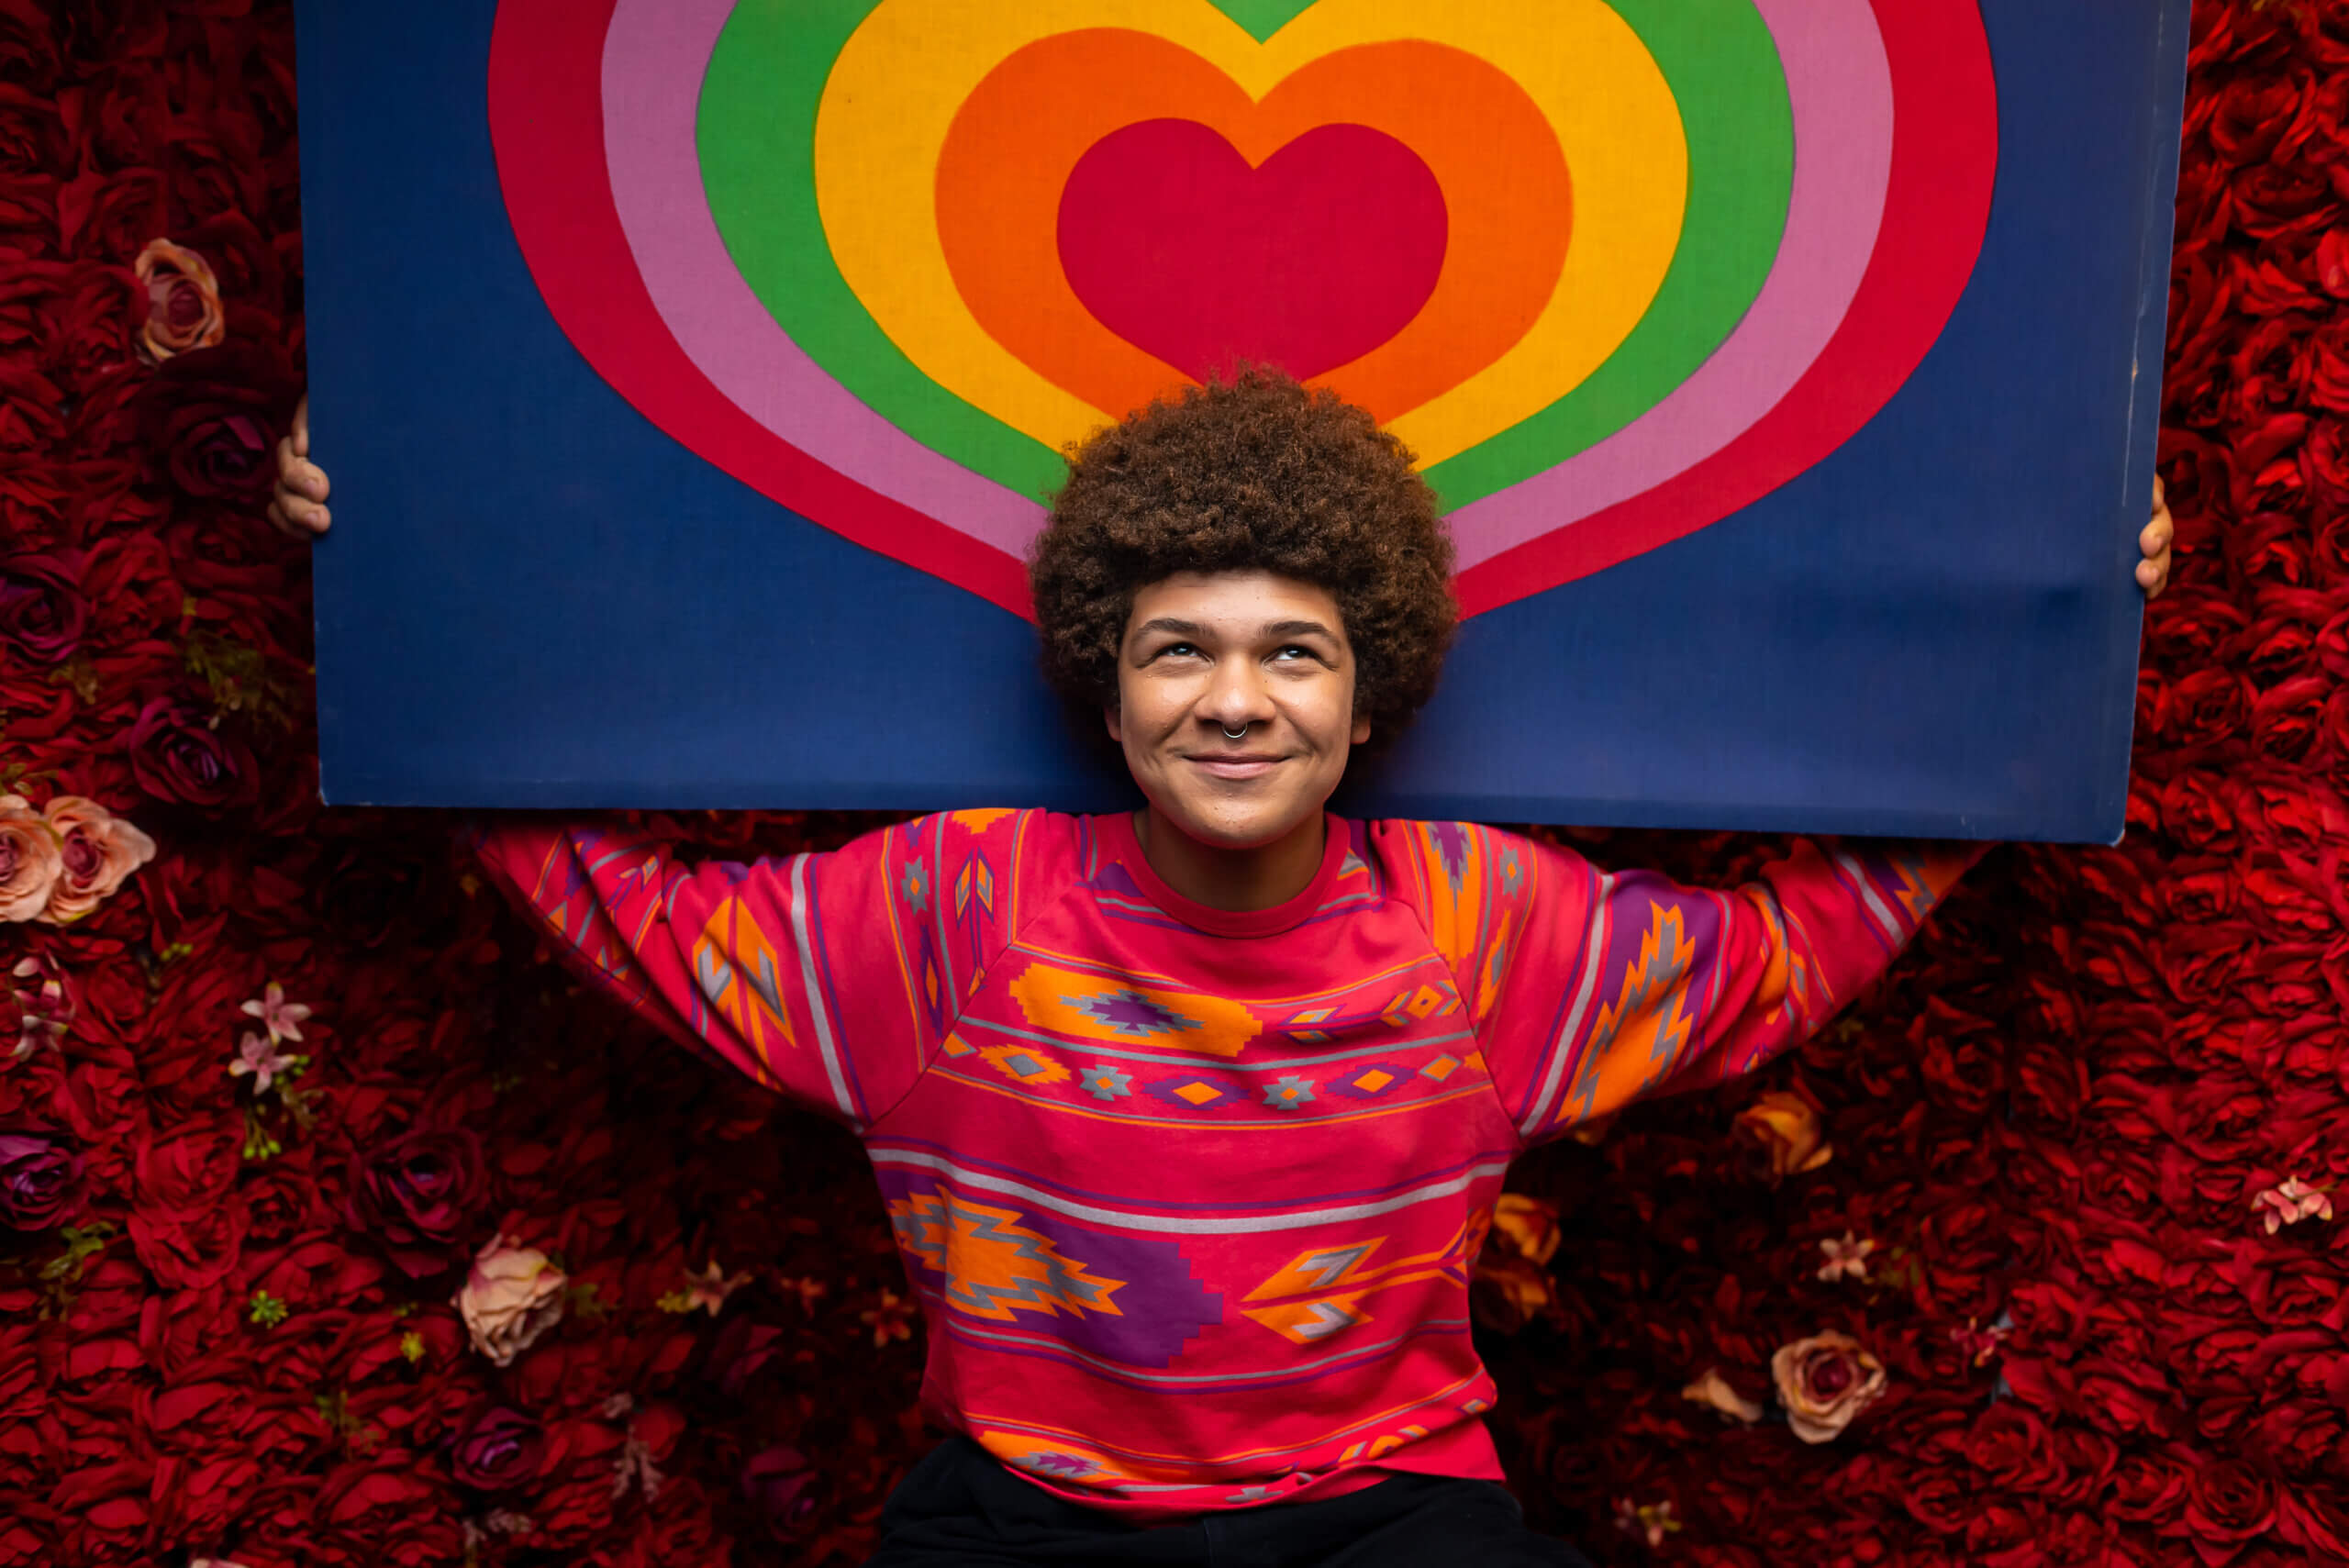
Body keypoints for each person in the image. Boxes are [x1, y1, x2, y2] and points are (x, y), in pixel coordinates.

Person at [273, 372, 2174, 1565]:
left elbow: (1778, 955)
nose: (1235, 695)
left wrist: (2047, 653)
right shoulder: (950, 916)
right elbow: (619, 904)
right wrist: (395, 581)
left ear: (1368, 705)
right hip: (1019, 1517)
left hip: (1391, 1518)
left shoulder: (1479, 927)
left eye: (1294, 653)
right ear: (1107, 695)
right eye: (1178, 649)